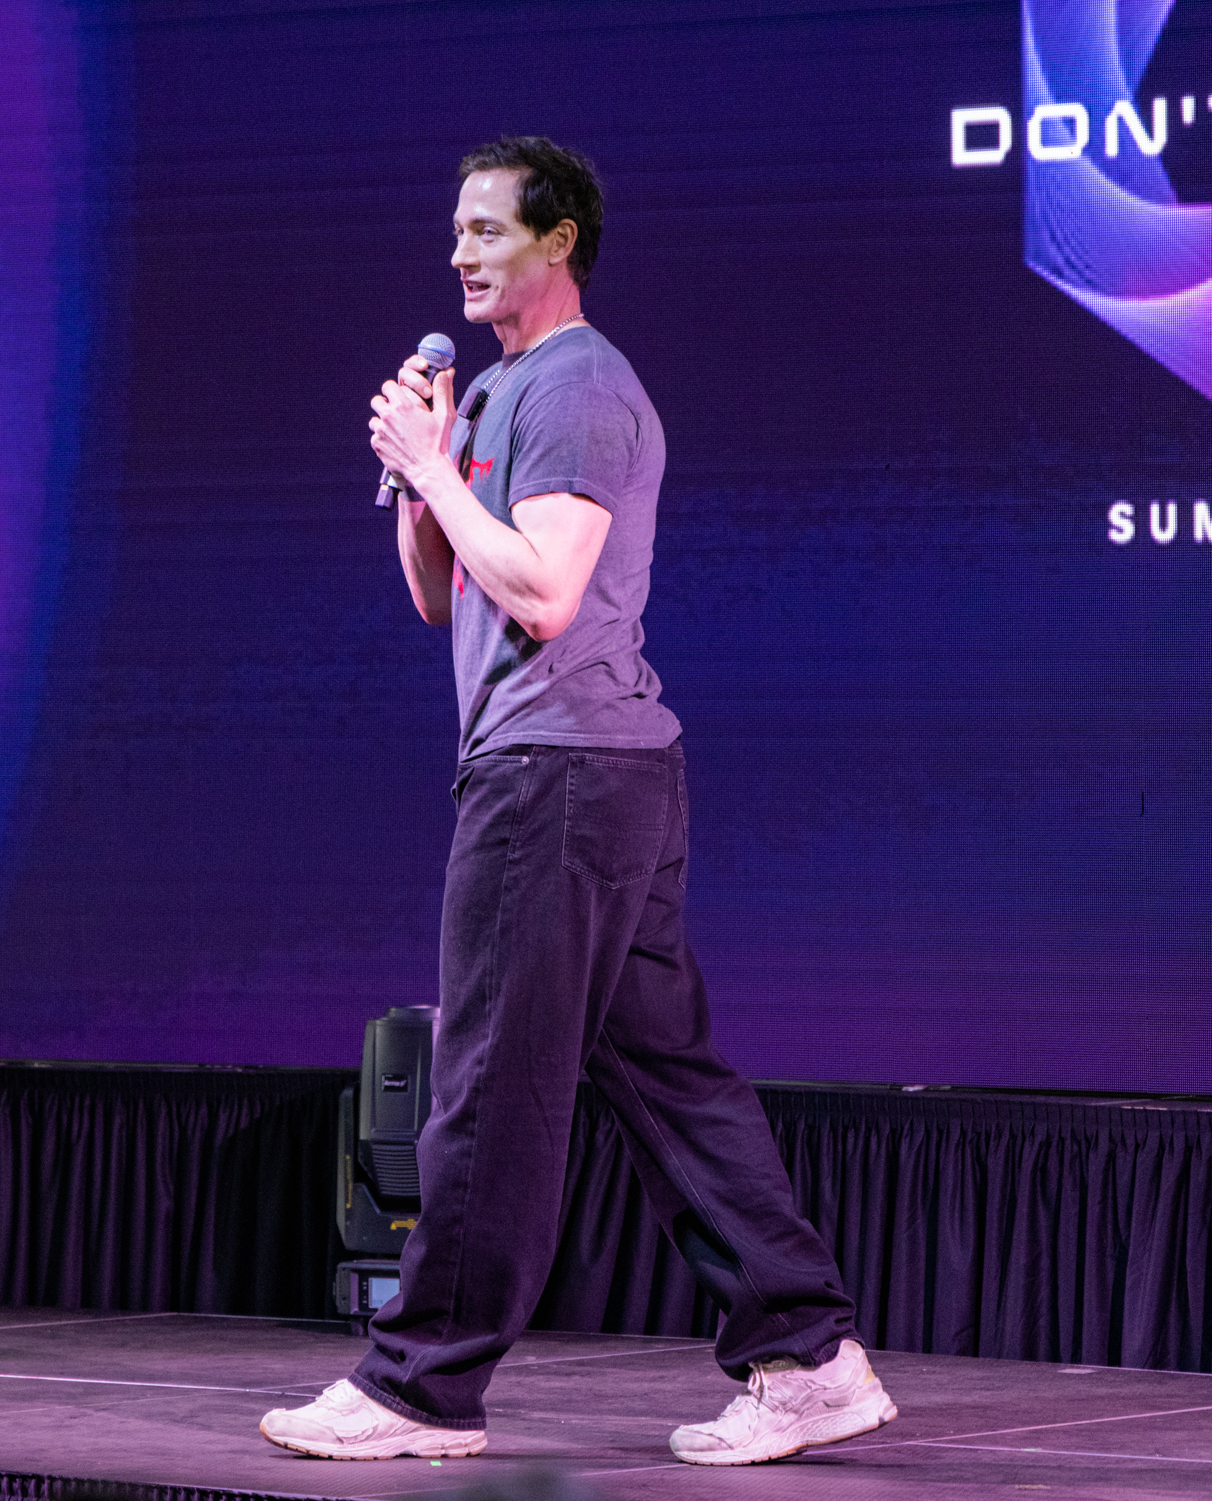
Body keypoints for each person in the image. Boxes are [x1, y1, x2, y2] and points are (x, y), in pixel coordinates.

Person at [261, 136, 894, 1468]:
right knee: (669, 1082)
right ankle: (810, 1354)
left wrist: (440, 472)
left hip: (560, 773)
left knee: (492, 1086)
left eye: (486, 228)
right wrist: (423, 465)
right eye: (455, 230)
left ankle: (420, 1386)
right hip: (593, 773)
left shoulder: (583, 387)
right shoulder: (494, 393)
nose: (459, 251)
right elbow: (447, 595)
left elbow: (545, 595)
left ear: (559, 241)